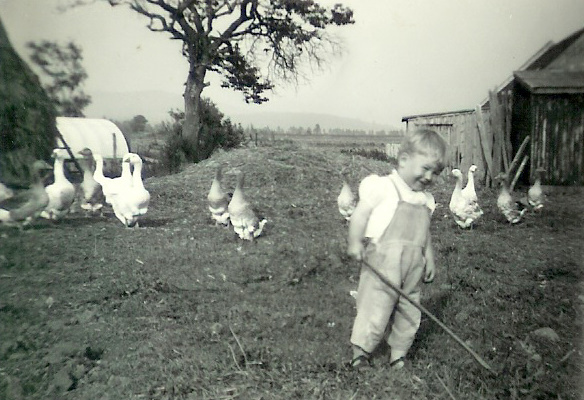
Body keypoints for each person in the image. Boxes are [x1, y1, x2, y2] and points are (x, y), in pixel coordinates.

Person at [347, 128, 447, 369]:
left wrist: (429, 258)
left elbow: (425, 234)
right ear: (403, 161)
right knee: (374, 306)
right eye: (425, 168)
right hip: (382, 262)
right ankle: (361, 353)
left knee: (409, 310)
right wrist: (355, 242)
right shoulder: (384, 187)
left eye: (435, 172)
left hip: (412, 267)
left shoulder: (424, 200)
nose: (429, 176)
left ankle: (398, 354)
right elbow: (360, 215)